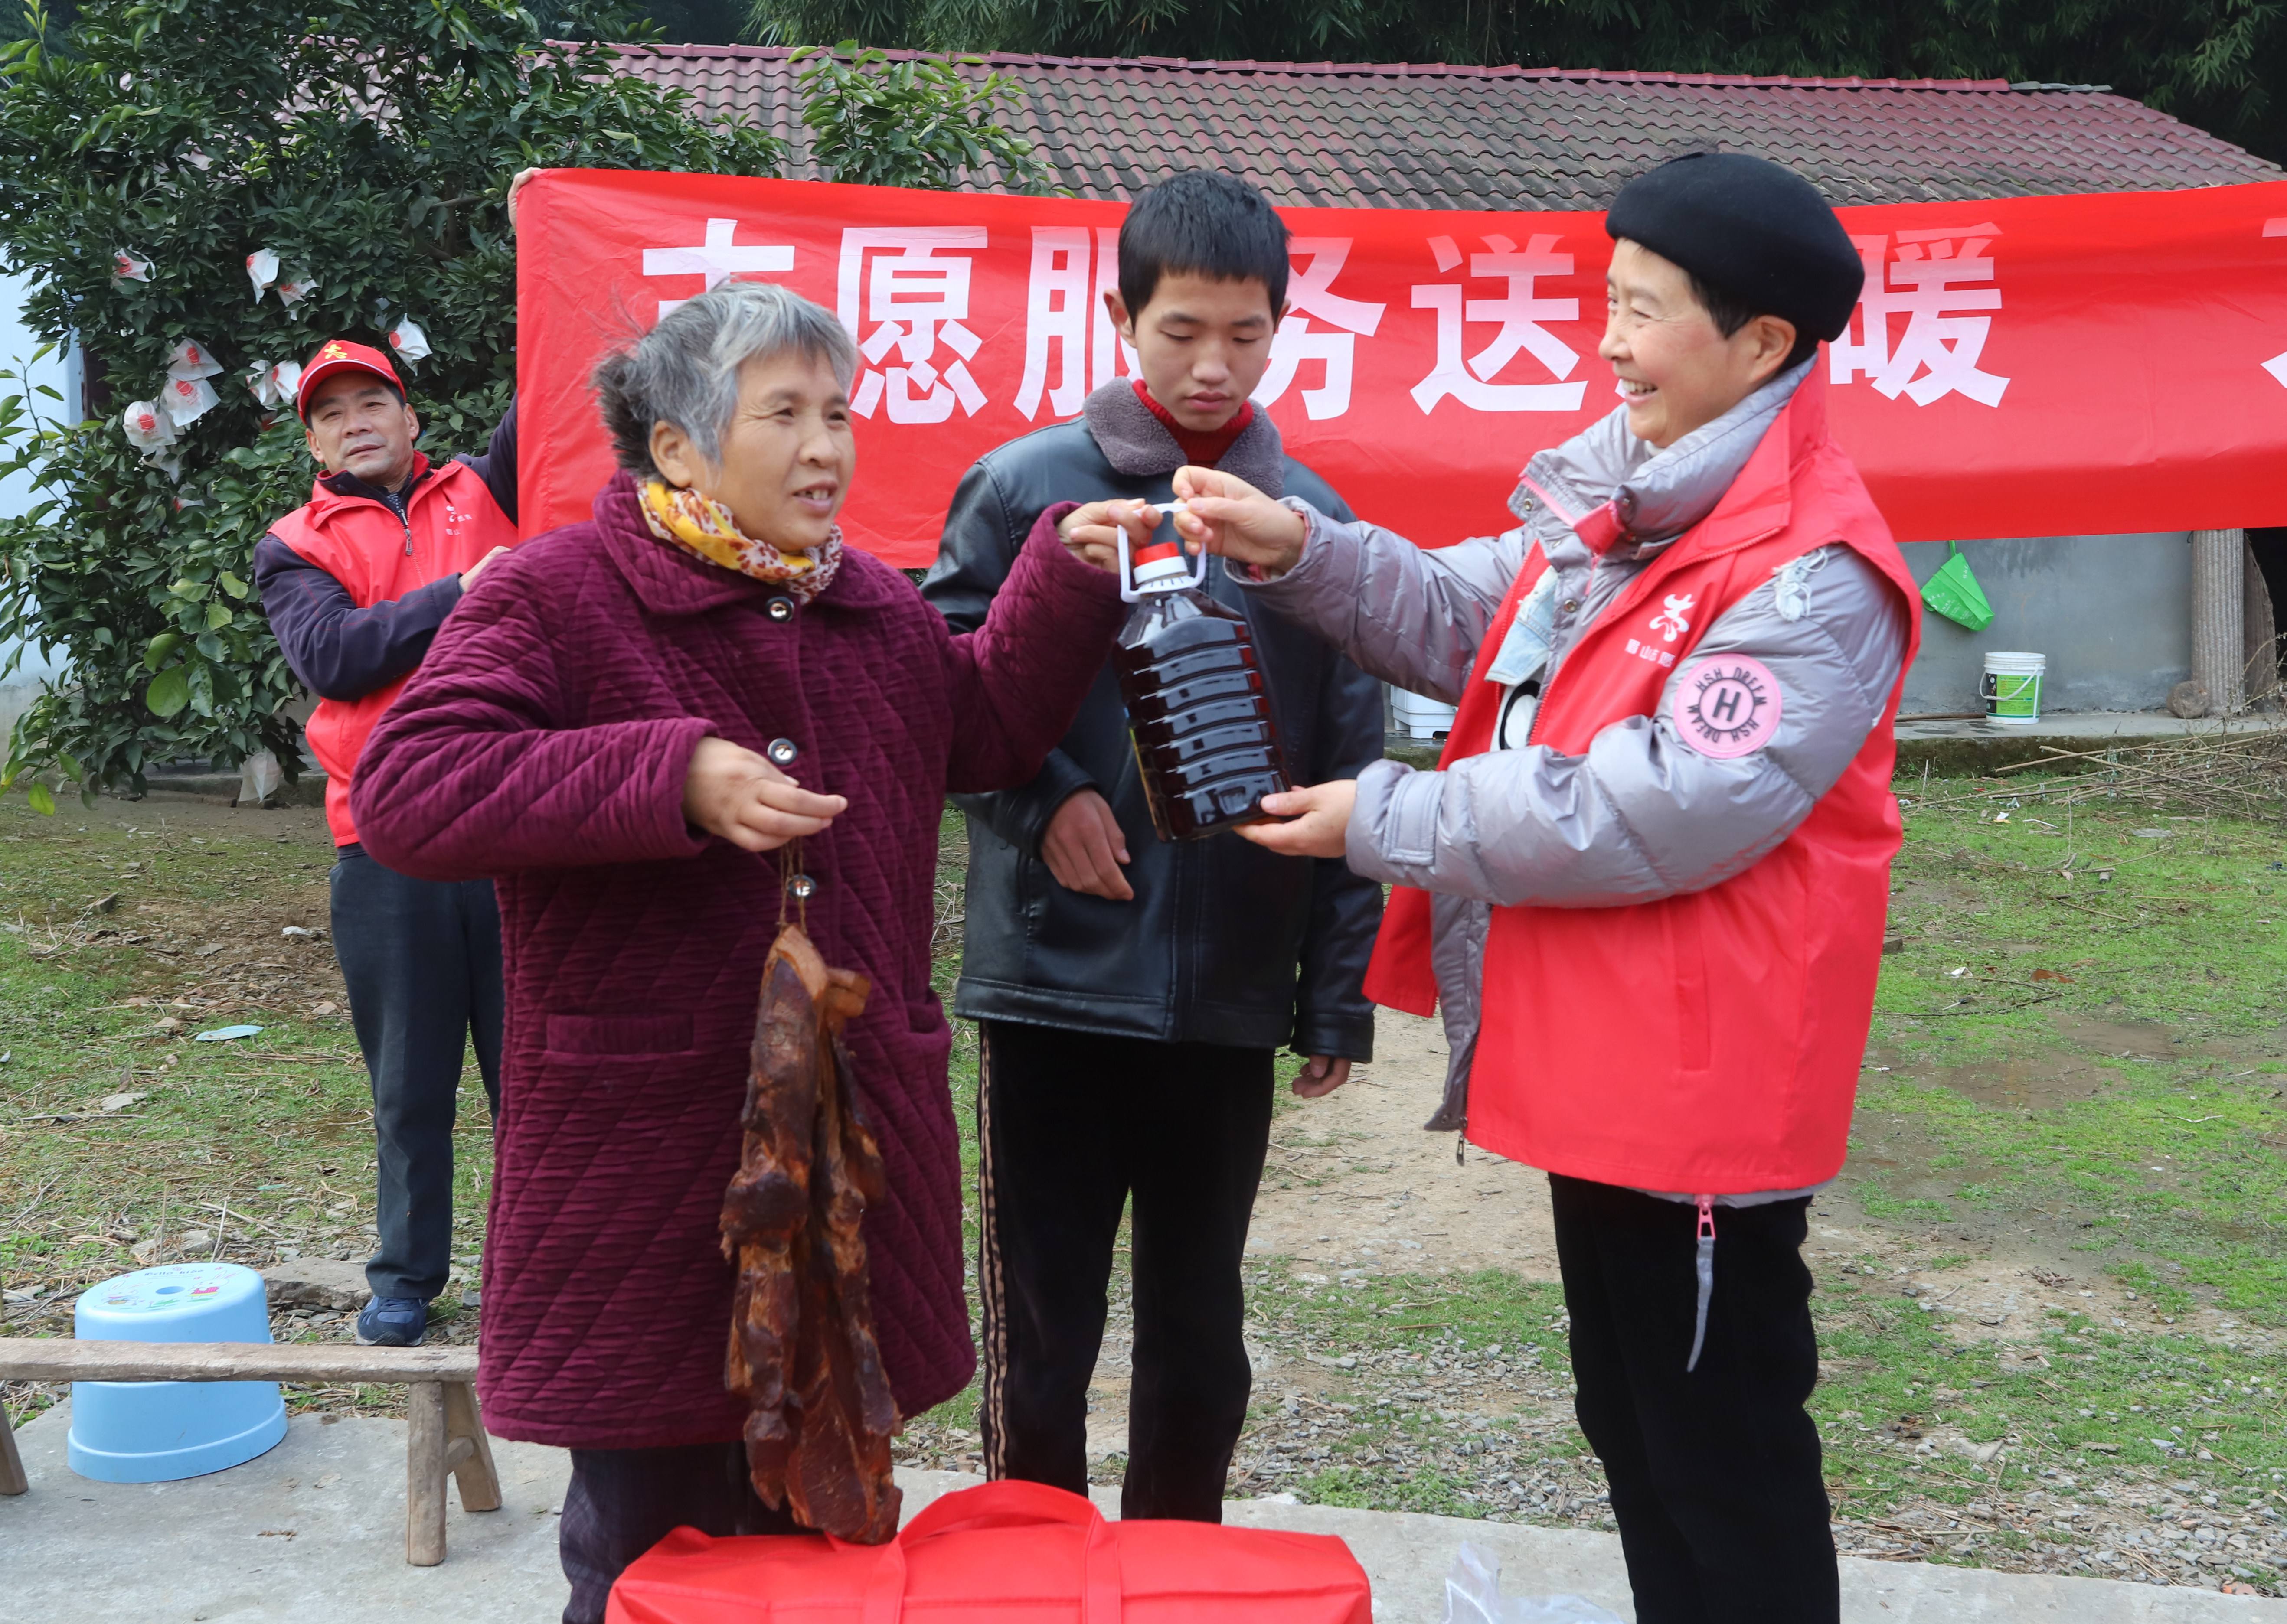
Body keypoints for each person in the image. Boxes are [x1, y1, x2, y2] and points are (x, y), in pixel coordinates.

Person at [1168, 153, 1921, 1621]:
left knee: (1725, 1456)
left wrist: (1382, 813)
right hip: (1611, 1068)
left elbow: (1662, 804)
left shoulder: (1809, 572)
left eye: (1641, 310)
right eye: (1607, 301)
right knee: (1632, 1426)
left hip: (1701, 1100)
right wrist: (1302, 550)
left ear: (1759, 343)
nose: (1609, 339)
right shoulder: (1643, 500)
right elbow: (1477, 613)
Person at [349, 281, 1128, 1622]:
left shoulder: (871, 607)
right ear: (678, 447)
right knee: (648, 1551)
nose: (827, 446)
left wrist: (1065, 577)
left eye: (839, 413)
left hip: (842, 1148)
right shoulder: (557, 595)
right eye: (785, 415)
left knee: (824, 1528)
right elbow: (410, 788)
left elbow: (985, 732)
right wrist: (670, 774)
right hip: (651, 1152)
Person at [921, 169, 1384, 1524]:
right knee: (1042, 1319)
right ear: (1122, 318)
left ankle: (1179, 1566)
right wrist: (1039, 794)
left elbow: (1354, 756)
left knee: (1201, 1327)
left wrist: (1335, 990)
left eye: (1244, 333)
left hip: (1229, 992)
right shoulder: (1020, 488)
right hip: (1054, 979)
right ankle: (1030, 1566)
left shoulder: (1311, 525)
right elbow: (944, 689)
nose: (1211, 362)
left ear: (1282, 327)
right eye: (1181, 328)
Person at [253, 338, 518, 1348]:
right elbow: (336, 654)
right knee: (409, 1085)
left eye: (375, 402)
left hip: (512, 831)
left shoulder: (494, 488)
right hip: (386, 843)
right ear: (313, 442)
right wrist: (461, 595)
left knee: (531, 1077)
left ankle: (537, 1273)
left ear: (413, 418)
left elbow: (556, 382)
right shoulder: (296, 543)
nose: (356, 421)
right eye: (332, 413)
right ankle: (406, 1277)